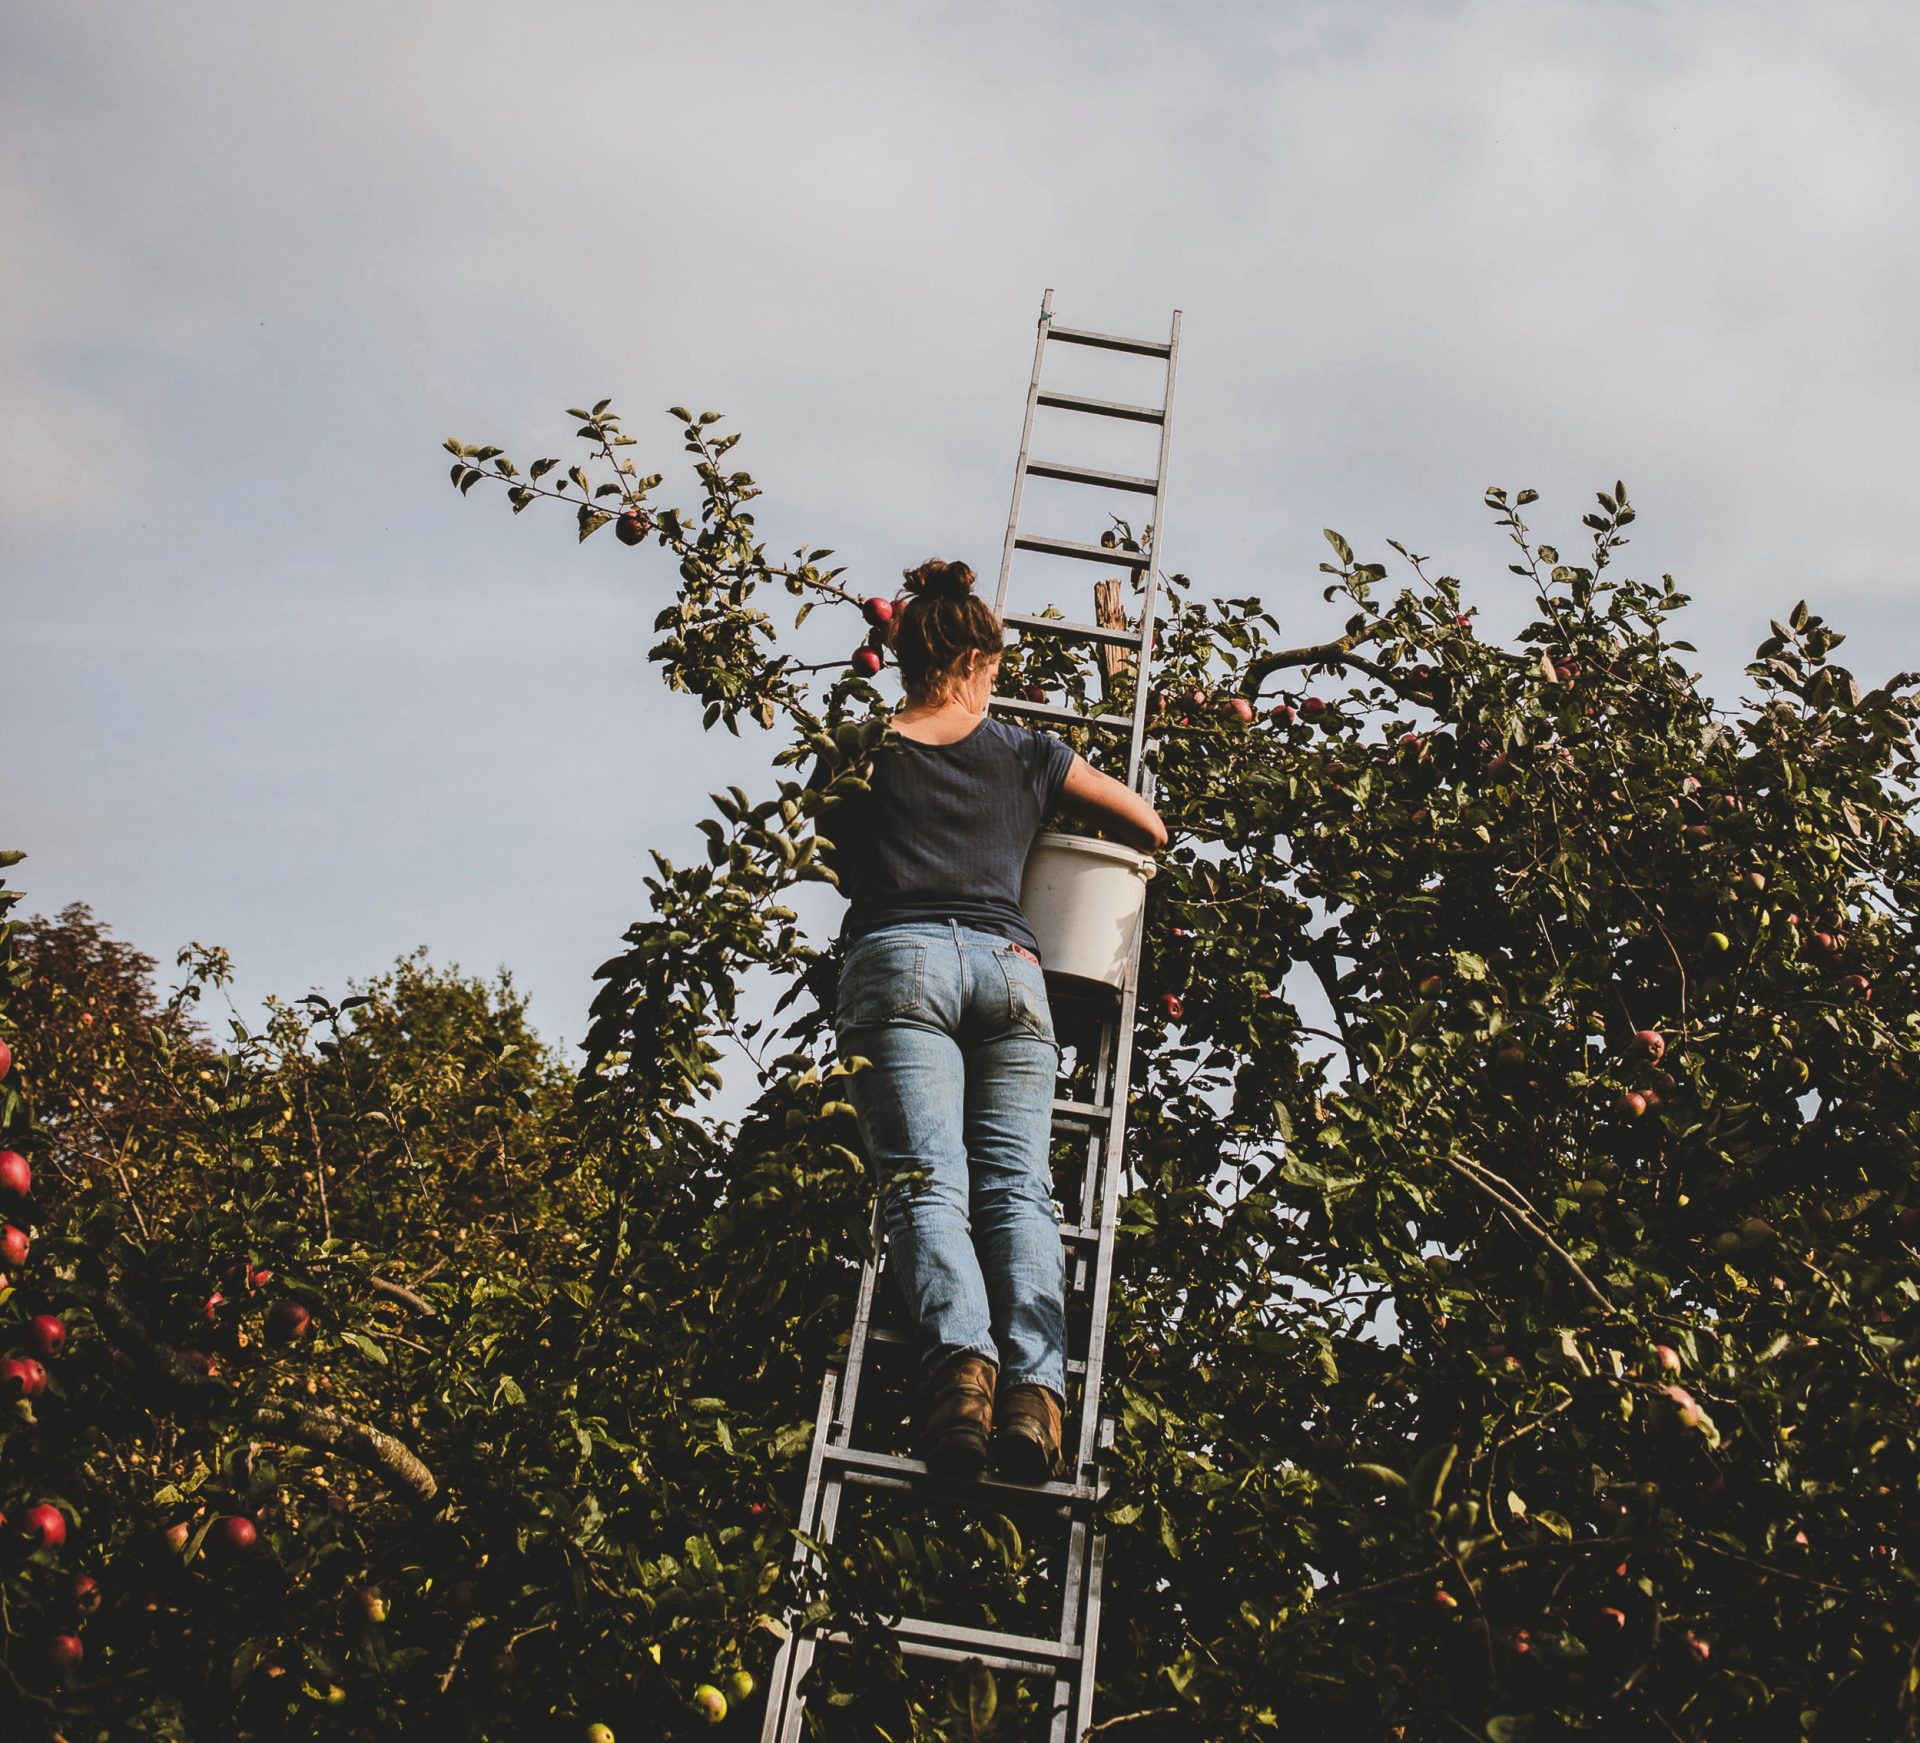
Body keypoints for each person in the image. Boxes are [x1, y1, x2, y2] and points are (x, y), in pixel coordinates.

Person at [824, 558, 1166, 1482]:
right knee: (1017, 1188)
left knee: (927, 1181)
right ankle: (1035, 1396)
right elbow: (1149, 827)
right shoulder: (1026, 753)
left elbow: (832, 859)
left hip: (899, 959)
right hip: (1014, 972)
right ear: (977, 656)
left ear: (903, 658)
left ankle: (963, 1377)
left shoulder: (865, 749)